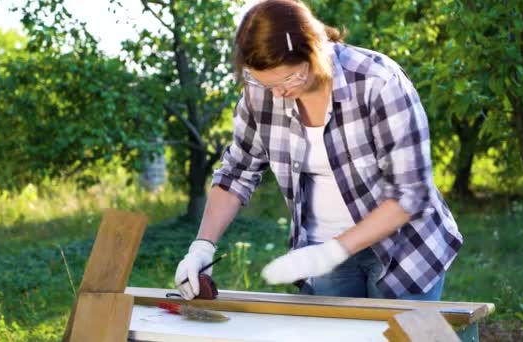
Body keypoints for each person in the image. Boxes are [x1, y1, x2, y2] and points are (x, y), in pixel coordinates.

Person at [175, 0, 463, 301]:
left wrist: (333, 250)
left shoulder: (379, 82)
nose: (278, 94)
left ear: (314, 51)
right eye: (264, 83)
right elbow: (237, 172)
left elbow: (410, 194)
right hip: (324, 257)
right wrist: (202, 248)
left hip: (403, 250)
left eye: (289, 79)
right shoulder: (262, 92)